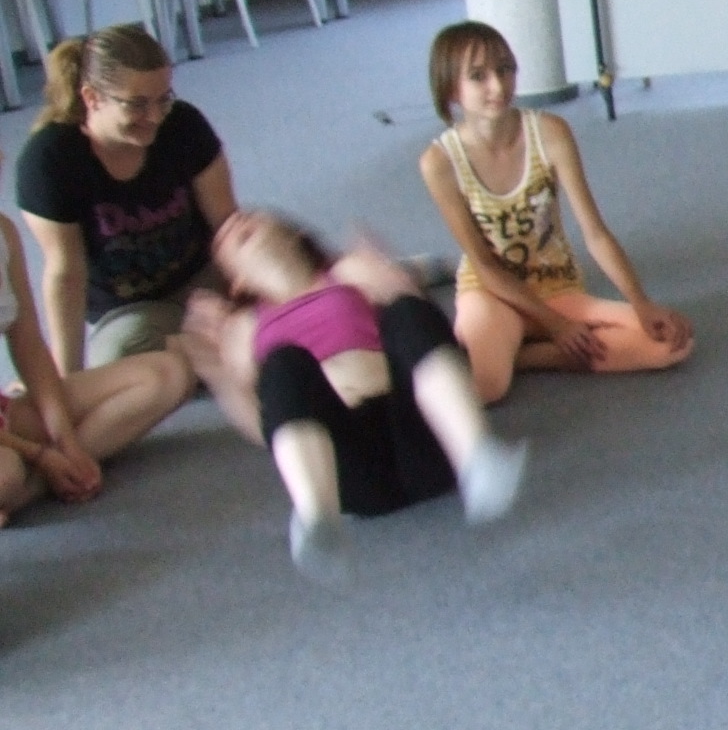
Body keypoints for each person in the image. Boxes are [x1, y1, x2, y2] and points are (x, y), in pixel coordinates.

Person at [186, 210, 525, 580]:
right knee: (282, 363)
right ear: (236, 282)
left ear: (294, 235)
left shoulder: (348, 272)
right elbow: (265, 425)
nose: (236, 223)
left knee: (405, 310)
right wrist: (220, 378)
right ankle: (317, 516)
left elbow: (425, 340)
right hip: (348, 466)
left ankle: (476, 456)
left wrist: (397, 284)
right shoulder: (244, 328)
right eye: (226, 238)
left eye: (251, 218)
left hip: (421, 435)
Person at [415, 21, 694, 405]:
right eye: (478, 76)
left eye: (505, 69)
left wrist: (640, 302)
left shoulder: (550, 132)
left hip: (555, 286)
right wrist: (557, 326)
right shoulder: (439, 162)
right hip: (491, 293)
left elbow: (595, 233)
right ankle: (516, 346)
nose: (498, 85)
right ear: (451, 89)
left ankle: (522, 353)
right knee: (489, 386)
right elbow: (484, 265)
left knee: (671, 344)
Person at [15, 26, 237, 371]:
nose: (155, 116)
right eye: (137, 104)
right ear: (92, 98)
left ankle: (206, 354)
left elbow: (227, 224)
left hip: (202, 281)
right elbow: (66, 274)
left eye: (164, 98)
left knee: (284, 293)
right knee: (121, 357)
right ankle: (215, 353)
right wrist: (69, 379)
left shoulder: (184, 124)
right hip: (129, 310)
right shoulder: (50, 160)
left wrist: (249, 295)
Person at [0, 148, 194, 524]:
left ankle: (37, 486)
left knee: (168, 374)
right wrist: (38, 453)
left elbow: (27, 341)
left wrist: (65, 441)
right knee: (5, 472)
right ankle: (32, 478)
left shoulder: (3, 233)